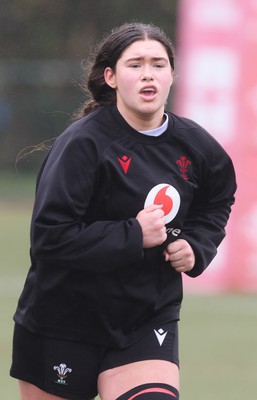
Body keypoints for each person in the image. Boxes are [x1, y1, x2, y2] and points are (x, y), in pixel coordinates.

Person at [10, 22, 236, 400]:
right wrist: (133, 234)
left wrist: (197, 244)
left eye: (158, 64)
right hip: (63, 323)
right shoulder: (82, 145)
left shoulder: (197, 146)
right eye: (135, 65)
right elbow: (50, 239)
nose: (148, 73)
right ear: (111, 77)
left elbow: (217, 200)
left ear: (172, 75)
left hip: (145, 320)